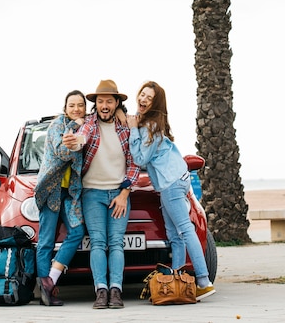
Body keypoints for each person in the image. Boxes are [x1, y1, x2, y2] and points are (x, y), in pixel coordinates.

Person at [126, 80, 216, 301]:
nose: (143, 99)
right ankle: (177, 278)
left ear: (156, 103)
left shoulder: (150, 127)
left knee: (185, 230)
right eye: (142, 94)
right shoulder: (153, 124)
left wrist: (132, 130)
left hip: (172, 183)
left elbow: (139, 158)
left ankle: (203, 281)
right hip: (173, 182)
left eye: (149, 97)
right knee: (174, 235)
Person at [63, 79, 140, 310]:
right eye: (100, 101)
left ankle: (116, 290)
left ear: (116, 103)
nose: (104, 105)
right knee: (98, 242)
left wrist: (125, 193)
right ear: (95, 104)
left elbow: (134, 163)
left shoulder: (125, 128)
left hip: (119, 193)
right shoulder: (89, 124)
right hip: (92, 194)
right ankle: (101, 291)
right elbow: (82, 139)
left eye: (109, 100)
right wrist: (74, 142)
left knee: (116, 243)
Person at [34, 89, 87, 306]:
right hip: (51, 189)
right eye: (72, 105)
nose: (76, 109)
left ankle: (50, 279)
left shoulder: (87, 127)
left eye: (80, 105)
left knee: (77, 231)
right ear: (65, 108)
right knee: (45, 241)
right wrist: (75, 127)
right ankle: (46, 290)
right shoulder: (57, 126)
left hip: (71, 192)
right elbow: (62, 152)